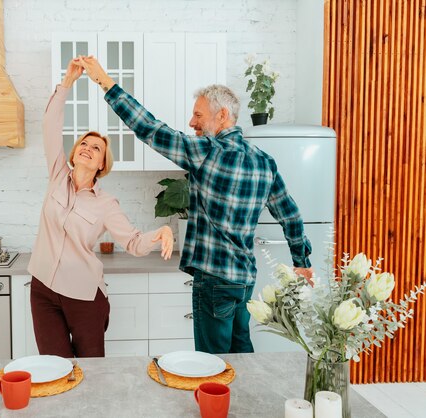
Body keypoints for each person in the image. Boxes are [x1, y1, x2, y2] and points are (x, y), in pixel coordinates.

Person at [78, 56, 313, 354]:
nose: (192, 123)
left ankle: (219, 401)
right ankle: (245, 402)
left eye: (198, 115)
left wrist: (105, 82)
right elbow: (290, 215)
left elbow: (149, 128)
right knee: (242, 357)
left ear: (222, 115)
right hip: (243, 282)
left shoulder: (206, 152)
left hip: (214, 280)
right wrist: (301, 262)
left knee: (213, 364)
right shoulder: (265, 162)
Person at [27, 58, 174, 358]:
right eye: (84, 143)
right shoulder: (57, 176)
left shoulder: (106, 204)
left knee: (91, 375)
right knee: (55, 369)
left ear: (102, 165)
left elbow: (133, 242)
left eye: (96, 148)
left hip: (84, 297)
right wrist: (67, 82)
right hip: (42, 290)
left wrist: (161, 231)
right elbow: (49, 126)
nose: (87, 148)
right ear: (74, 151)